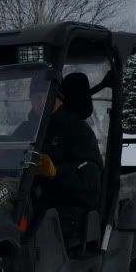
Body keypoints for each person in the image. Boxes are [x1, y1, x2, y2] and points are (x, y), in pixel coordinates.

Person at [40, 72, 104, 247]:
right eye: (34, 98)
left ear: (58, 98)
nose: (39, 102)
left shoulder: (77, 129)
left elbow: (90, 174)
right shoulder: (31, 126)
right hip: (37, 195)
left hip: (72, 200)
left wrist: (55, 171)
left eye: (43, 97)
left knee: (39, 225)